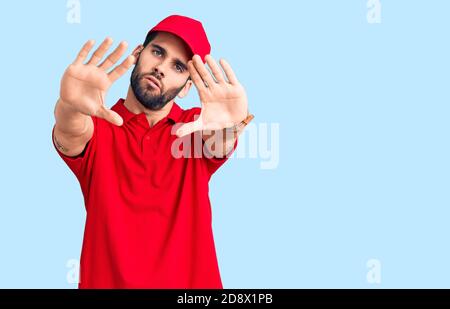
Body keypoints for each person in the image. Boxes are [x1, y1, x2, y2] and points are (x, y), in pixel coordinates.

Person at [52, 15, 253, 288]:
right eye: (157, 52)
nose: (161, 68)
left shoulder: (195, 128)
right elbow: (70, 130)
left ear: (187, 88)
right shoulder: (98, 127)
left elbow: (219, 141)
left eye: (178, 67)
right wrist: (69, 105)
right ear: (138, 54)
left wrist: (232, 126)